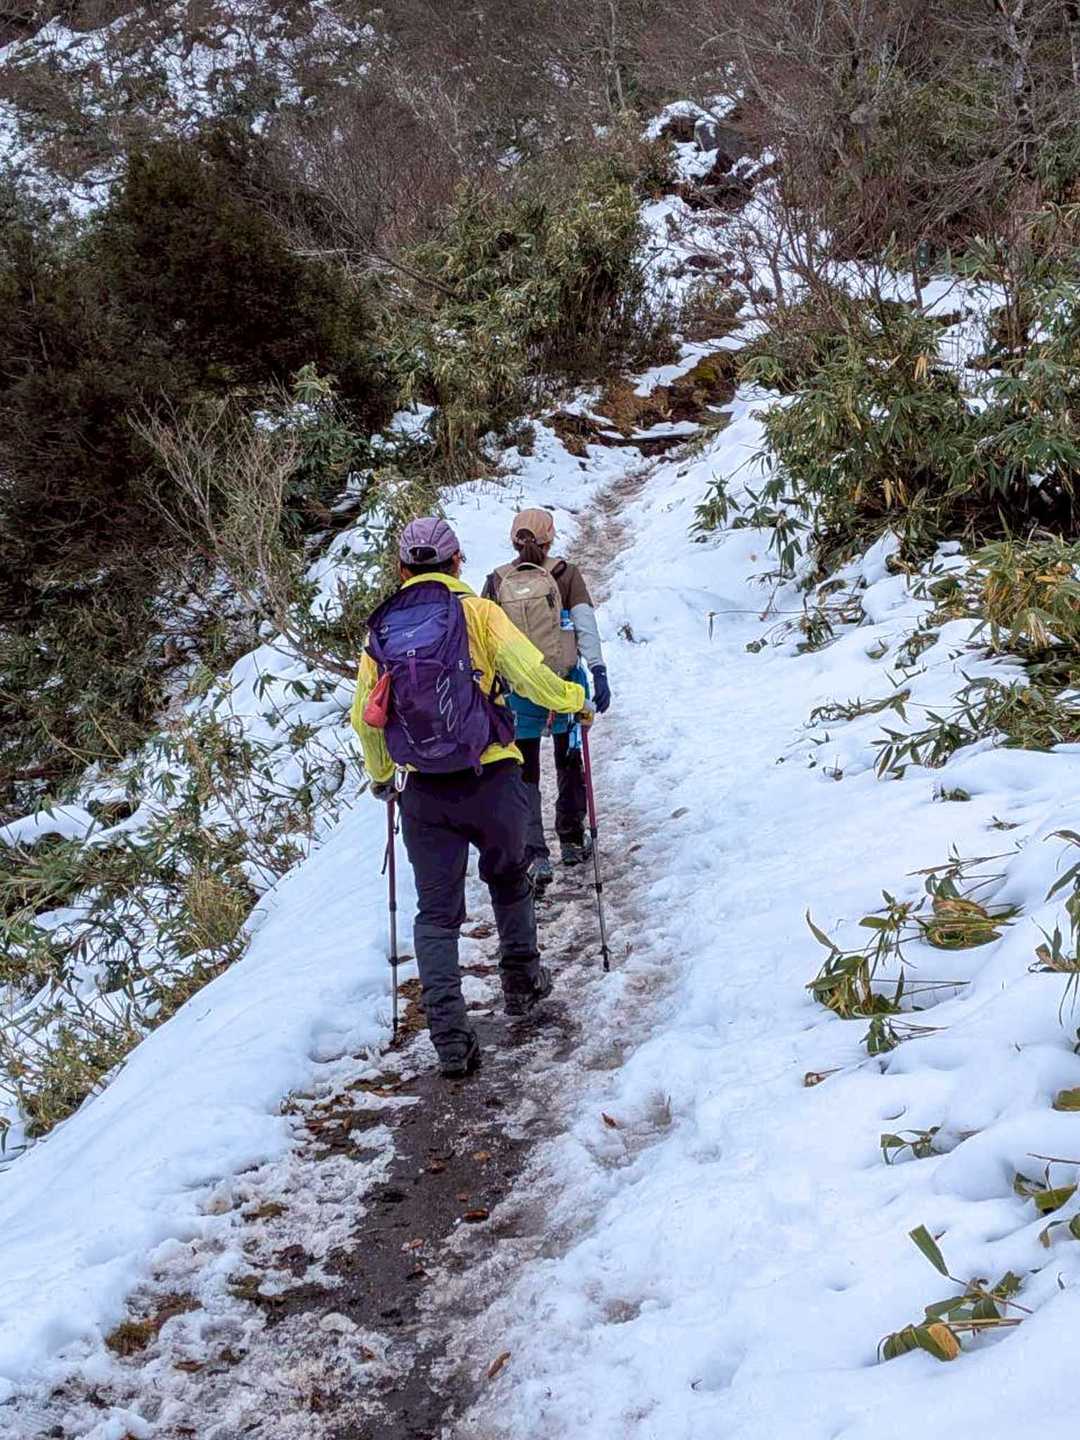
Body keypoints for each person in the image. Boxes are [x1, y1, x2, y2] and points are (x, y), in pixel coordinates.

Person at [351, 517, 589, 1080]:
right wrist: (574, 699)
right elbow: (529, 675)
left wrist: (382, 775)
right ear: (457, 563)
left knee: (436, 914)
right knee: (508, 876)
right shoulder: (479, 613)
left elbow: (366, 716)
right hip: (491, 776)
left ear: (401, 570)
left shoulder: (382, 629)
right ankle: (521, 982)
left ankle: (450, 1038)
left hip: (424, 791)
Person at [482, 508, 611, 891]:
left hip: (518, 691)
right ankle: (571, 838)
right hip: (563, 685)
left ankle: (534, 853)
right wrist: (598, 670)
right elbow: (585, 625)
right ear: (550, 538)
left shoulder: (496, 581)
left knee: (525, 772)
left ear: (513, 540)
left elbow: (486, 641)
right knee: (568, 760)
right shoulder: (566, 574)